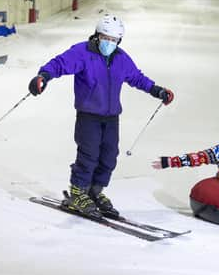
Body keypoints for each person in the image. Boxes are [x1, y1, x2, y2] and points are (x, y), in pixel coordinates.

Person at [28, 15, 174, 219]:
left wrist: (157, 90)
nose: (109, 43)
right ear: (97, 36)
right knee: (88, 155)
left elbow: (136, 77)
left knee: (109, 156)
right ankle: (78, 192)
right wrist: (43, 76)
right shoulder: (82, 52)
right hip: (88, 115)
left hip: (111, 117)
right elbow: (59, 64)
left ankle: (94, 192)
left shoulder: (121, 58)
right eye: (106, 38)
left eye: (114, 40)